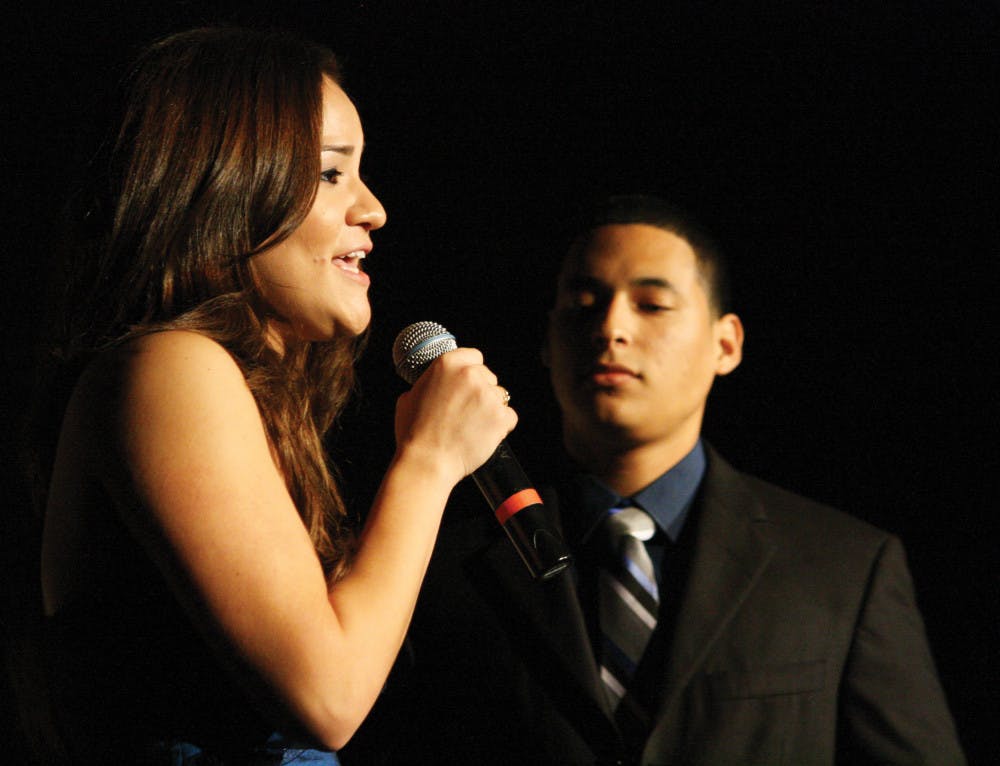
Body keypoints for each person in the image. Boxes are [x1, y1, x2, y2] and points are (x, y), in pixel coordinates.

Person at [28, 27, 516, 765]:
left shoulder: (214, 381)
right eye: (329, 174)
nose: (374, 209)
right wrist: (429, 462)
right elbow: (329, 696)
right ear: (224, 182)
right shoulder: (170, 369)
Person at [342, 194, 966, 765]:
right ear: (546, 342)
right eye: (583, 303)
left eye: (653, 304)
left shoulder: (845, 567)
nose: (611, 328)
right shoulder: (434, 558)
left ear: (726, 344)